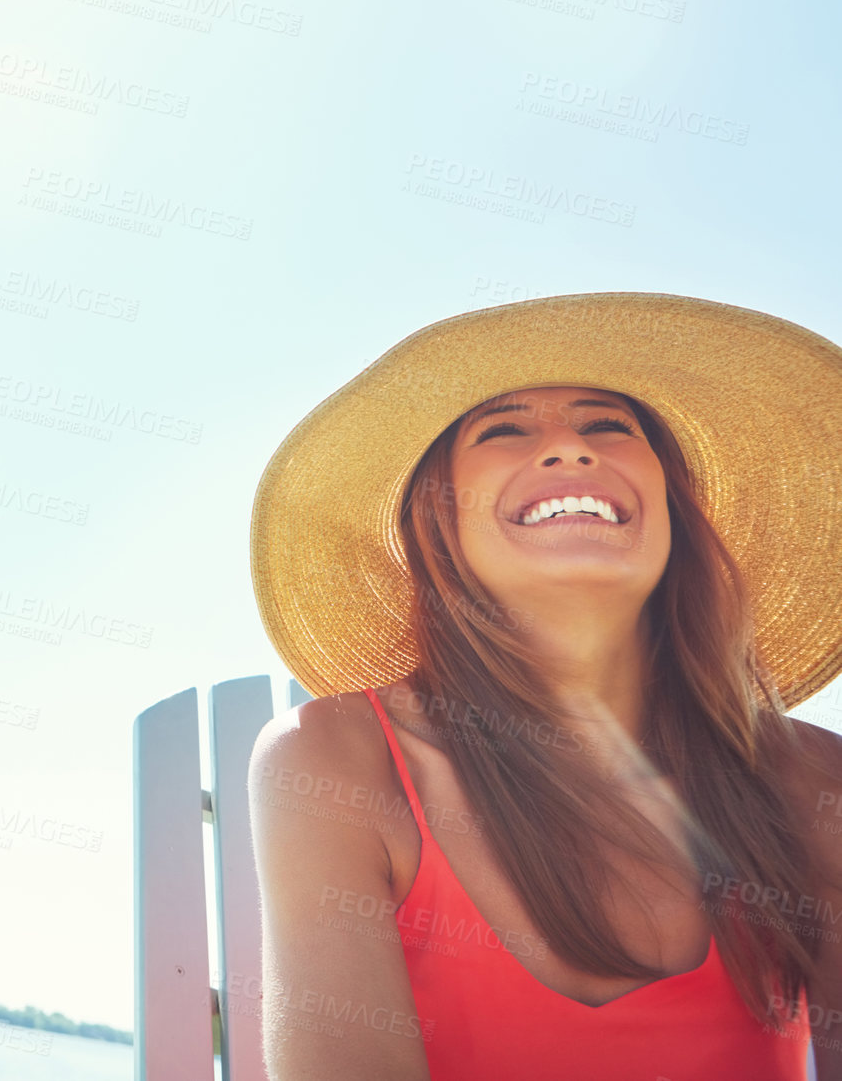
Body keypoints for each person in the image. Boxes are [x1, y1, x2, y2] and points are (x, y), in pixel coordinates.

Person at [245, 293, 842, 1080]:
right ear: (440, 521)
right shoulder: (335, 760)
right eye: (505, 429)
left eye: (607, 425)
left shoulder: (811, 778)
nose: (569, 449)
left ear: (672, 506)